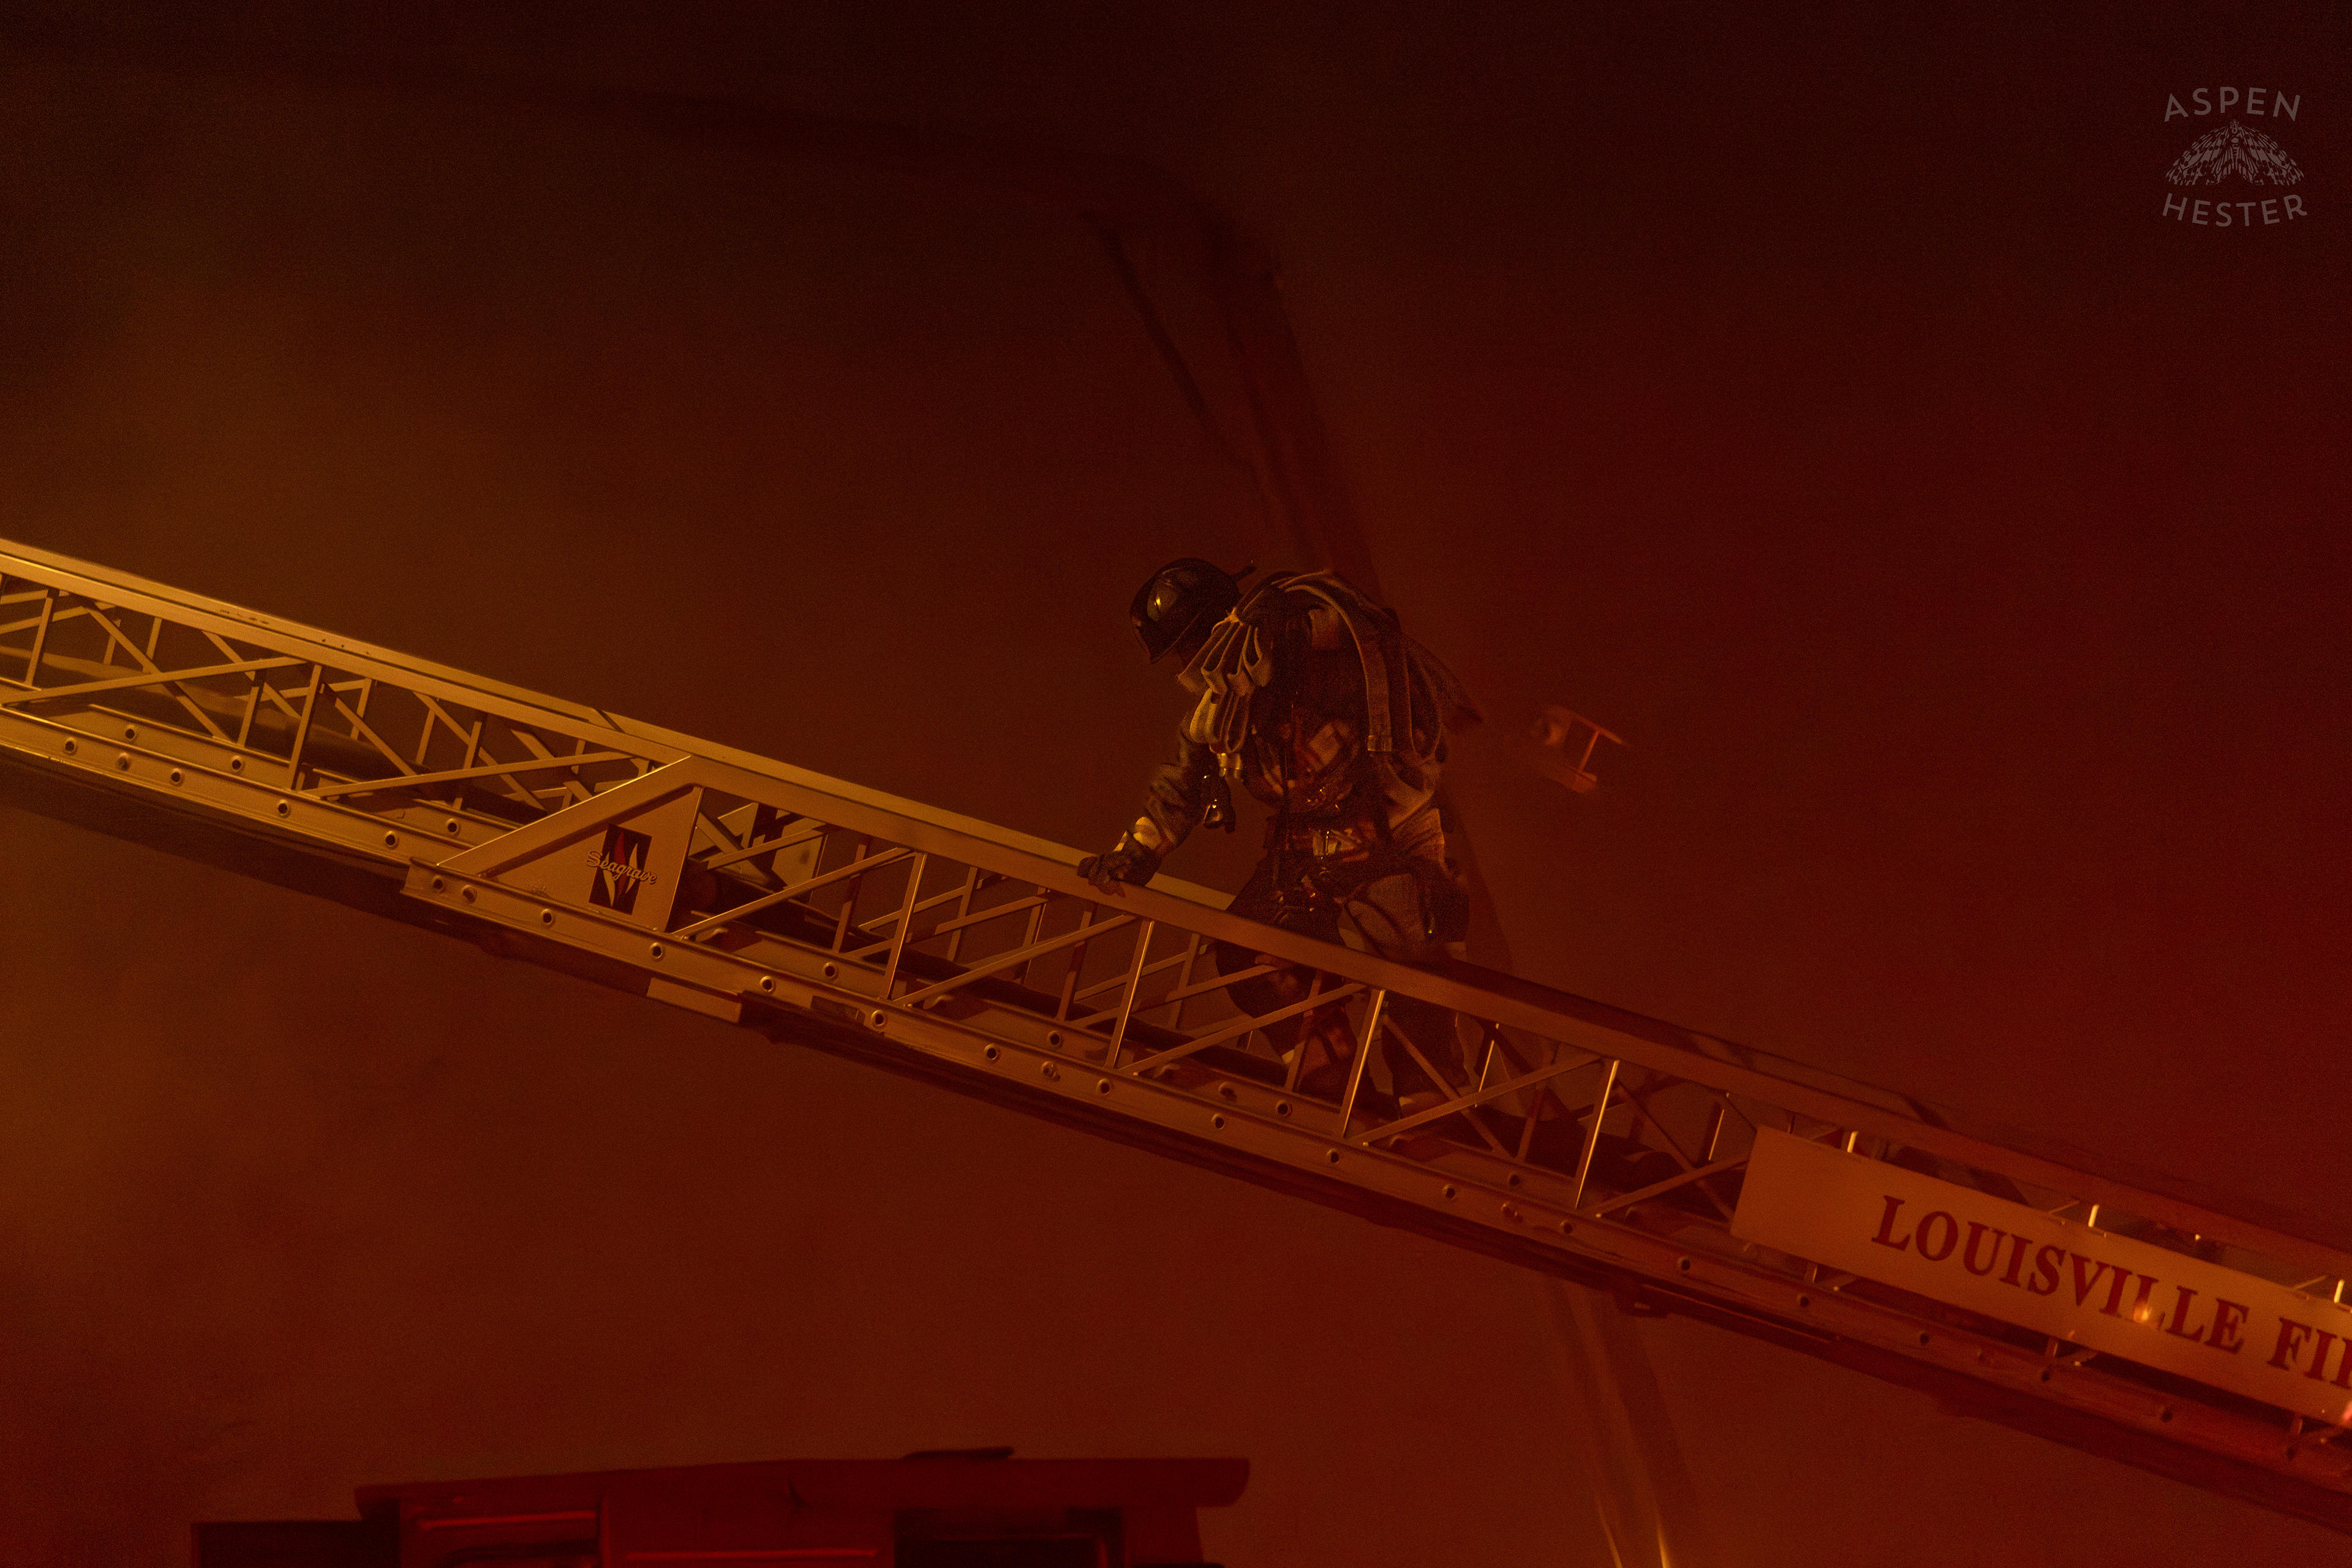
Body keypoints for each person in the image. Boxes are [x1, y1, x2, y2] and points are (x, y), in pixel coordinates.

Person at [1079, 557, 1480, 1113]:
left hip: (1393, 845)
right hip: (1306, 856)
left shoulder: (1321, 653)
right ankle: (1334, 1087)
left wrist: (1289, 629)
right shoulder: (1219, 716)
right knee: (1247, 955)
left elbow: (1369, 639)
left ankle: (1431, 1118)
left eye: (1191, 647)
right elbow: (1180, 788)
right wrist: (1135, 854)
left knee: (1417, 982)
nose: (1191, 666)